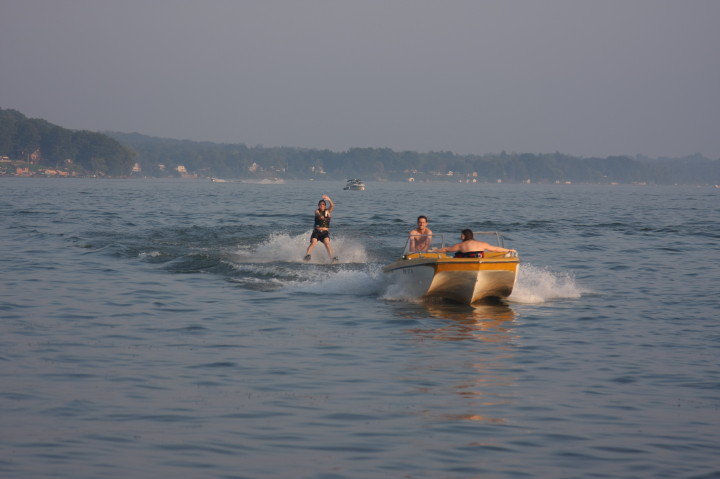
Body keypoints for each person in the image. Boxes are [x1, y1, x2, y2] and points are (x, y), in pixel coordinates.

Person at [430, 229, 516, 257]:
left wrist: (433, 251)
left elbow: (446, 249)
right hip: (479, 263)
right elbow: (496, 249)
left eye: (462, 236)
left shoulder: (461, 245)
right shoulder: (483, 244)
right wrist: (509, 250)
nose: (460, 237)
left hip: (466, 266)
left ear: (464, 236)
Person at [305, 194, 338, 262]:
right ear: (318, 205)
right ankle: (307, 256)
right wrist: (320, 216)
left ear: (325, 205)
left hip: (325, 233)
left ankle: (331, 258)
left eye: (323, 204)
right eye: (320, 204)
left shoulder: (328, 211)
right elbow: (317, 213)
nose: (321, 205)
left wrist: (329, 199)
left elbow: (332, 206)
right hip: (317, 231)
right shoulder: (316, 211)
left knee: (327, 243)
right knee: (313, 242)